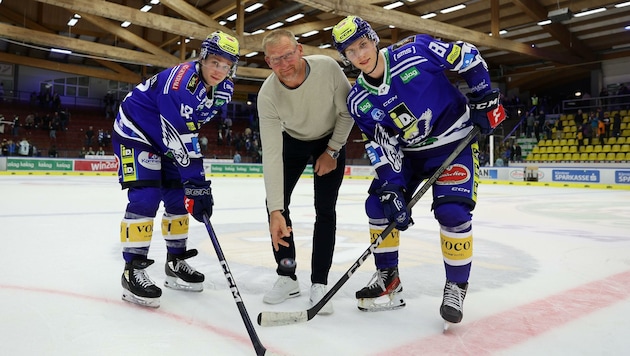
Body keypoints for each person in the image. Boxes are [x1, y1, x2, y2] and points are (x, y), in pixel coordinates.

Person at [331, 16, 506, 325]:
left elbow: (467, 55)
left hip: (454, 142)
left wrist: (482, 98)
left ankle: (456, 285)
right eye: (351, 51)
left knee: (452, 213)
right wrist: (392, 186)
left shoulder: (415, 51)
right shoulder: (358, 100)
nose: (360, 55)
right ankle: (389, 279)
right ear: (345, 58)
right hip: (409, 155)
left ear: (373, 39)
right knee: (378, 205)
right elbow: (379, 145)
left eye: (362, 44)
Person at [111, 31, 240, 308]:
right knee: (146, 196)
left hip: (167, 140)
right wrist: (197, 182)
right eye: (215, 62)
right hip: (136, 132)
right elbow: (182, 132)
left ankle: (175, 262)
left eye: (226, 65)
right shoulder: (180, 84)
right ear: (203, 57)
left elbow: (190, 128)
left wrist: (192, 186)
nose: (219, 70)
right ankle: (132, 270)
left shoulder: (225, 89)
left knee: (178, 198)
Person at [257, 29, 354, 315]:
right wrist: (275, 209)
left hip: (330, 138)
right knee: (275, 204)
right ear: (267, 62)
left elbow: (348, 111)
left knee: (325, 209)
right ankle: (287, 275)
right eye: (276, 60)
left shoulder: (327, 68)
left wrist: (332, 150)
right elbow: (272, 154)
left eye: (288, 55)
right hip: (293, 141)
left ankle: (319, 283)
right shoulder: (267, 96)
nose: (284, 64)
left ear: (299, 50)